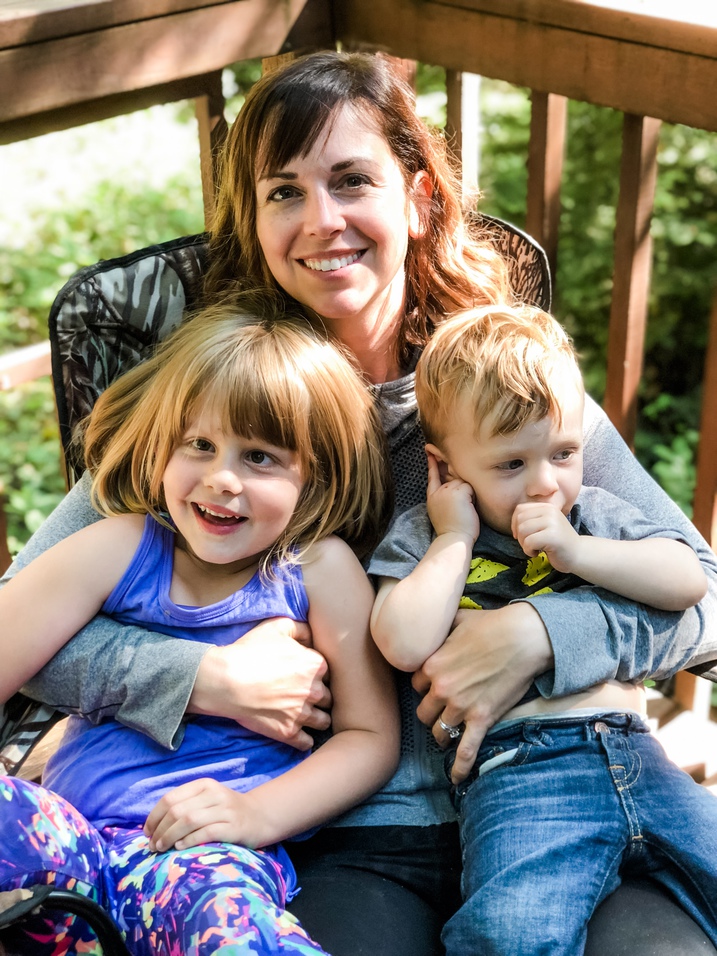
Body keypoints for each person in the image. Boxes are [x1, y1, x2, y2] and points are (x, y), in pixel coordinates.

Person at [2, 50, 716, 956]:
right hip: (347, 835)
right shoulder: (225, 400)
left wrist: (538, 637)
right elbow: (24, 624)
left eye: (350, 181)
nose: (321, 221)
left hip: (560, 790)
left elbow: (705, 601)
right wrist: (198, 681)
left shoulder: (502, 388)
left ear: (418, 199)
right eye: (284, 193)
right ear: (253, 220)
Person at [0, 295, 399, 955]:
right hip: (69, 844)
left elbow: (369, 737)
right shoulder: (122, 546)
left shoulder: (317, 572)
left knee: (229, 927)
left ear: (316, 478)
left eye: (260, 457)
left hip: (200, 855)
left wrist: (253, 814)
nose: (221, 478)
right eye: (200, 445)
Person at [369, 304, 717, 954]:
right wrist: (454, 538)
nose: (544, 485)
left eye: (562, 453)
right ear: (444, 465)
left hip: (644, 757)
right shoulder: (427, 534)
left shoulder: (593, 515)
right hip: (521, 772)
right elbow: (401, 641)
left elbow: (688, 581)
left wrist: (578, 553)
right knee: (509, 932)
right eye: (510, 465)